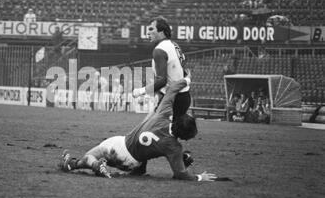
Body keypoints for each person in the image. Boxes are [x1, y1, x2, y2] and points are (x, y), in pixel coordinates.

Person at [59, 76, 218, 182]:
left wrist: (187, 79)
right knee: (152, 151)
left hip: (121, 147)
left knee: (90, 156)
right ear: (184, 136)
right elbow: (180, 174)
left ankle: (94, 165)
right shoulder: (175, 147)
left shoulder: (163, 114)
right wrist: (199, 177)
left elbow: (171, 90)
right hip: (135, 164)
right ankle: (70, 164)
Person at [131, 16, 191, 174]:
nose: (148, 31)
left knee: (146, 130)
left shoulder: (159, 50)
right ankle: (183, 159)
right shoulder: (174, 45)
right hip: (183, 96)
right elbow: (183, 72)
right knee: (169, 134)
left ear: (162, 31)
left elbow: (162, 80)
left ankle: (140, 167)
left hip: (172, 99)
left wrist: (140, 91)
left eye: (151, 29)